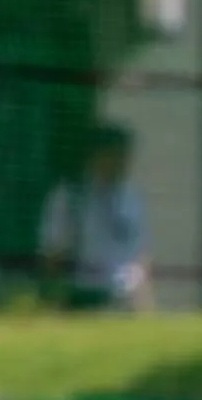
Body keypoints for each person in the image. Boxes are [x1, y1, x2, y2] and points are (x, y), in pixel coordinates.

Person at [39, 125, 151, 313]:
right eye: (113, 155)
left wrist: (143, 304)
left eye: (124, 156)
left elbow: (140, 254)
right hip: (81, 296)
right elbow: (54, 251)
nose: (120, 163)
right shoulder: (71, 196)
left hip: (122, 298)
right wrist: (52, 300)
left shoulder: (131, 198)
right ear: (95, 156)